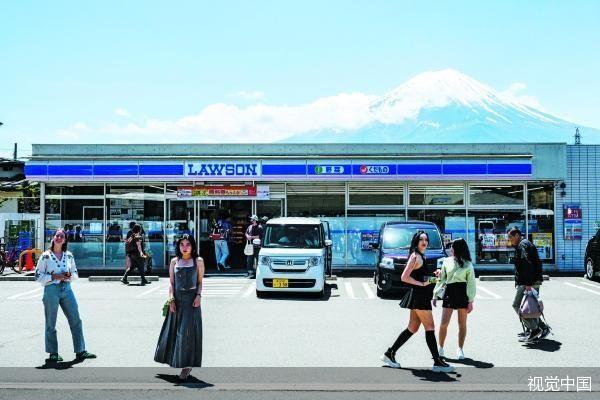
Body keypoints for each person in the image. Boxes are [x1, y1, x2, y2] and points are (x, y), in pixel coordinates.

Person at [381, 230, 454, 373]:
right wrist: (421, 284)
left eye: (426, 239)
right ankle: (437, 361)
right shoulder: (415, 256)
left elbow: (422, 277)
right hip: (419, 296)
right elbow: (404, 277)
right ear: (416, 241)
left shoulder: (421, 256)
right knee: (430, 327)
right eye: (421, 239)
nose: (424, 242)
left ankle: (389, 353)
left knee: (413, 328)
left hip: (419, 296)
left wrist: (435, 275)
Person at [34, 229, 97, 363]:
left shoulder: (68, 255)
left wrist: (68, 276)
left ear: (64, 240)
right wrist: (54, 276)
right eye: (57, 235)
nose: (59, 237)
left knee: (76, 319)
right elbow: (37, 275)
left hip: (67, 289)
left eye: (62, 236)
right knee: (50, 323)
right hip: (51, 289)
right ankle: (53, 353)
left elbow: (75, 273)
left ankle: (80, 350)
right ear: (53, 238)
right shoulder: (46, 256)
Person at [155, 234, 204, 381]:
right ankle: (174, 360)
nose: (184, 247)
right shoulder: (174, 261)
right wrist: (170, 299)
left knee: (186, 334)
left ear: (193, 246)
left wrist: (198, 296)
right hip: (176, 300)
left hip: (191, 301)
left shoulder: (198, 261)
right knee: (173, 331)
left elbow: (200, 282)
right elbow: (171, 283)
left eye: (187, 244)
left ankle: (186, 366)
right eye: (182, 244)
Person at [433, 238, 476, 360]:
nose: (450, 249)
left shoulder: (468, 264)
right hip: (449, 293)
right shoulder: (447, 261)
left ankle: (460, 349)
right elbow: (441, 279)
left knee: (462, 324)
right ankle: (440, 347)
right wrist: (435, 295)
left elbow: (471, 283)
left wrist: (470, 301)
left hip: (463, 294)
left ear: (458, 249)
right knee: (443, 324)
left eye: (452, 247)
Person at [507, 227, 550, 343]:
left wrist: (528, 284)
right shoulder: (523, 245)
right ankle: (540, 328)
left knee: (516, 305)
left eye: (510, 237)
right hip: (531, 281)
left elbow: (527, 265)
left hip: (528, 282)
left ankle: (535, 329)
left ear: (517, 235)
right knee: (531, 307)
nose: (509, 240)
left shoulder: (523, 245)